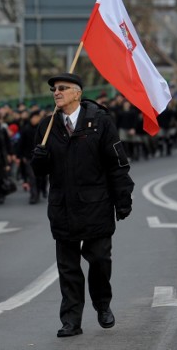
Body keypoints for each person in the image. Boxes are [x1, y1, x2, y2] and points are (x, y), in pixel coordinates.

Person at [31, 73, 134, 338]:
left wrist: (123, 199)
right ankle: (71, 320)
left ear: (77, 93)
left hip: (96, 205)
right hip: (62, 207)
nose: (56, 92)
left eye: (63, 88)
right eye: (54, 88)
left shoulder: (100, 122)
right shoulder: (47, 126)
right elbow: (40, 171)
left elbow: (117, 163)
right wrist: (39, 160)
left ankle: (102, 304)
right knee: (68, 268)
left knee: (99, 259)